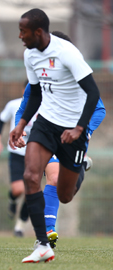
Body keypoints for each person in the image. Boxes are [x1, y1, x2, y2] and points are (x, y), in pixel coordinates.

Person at [10, 9, 100, 263]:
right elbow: (36, 94)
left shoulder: (67, 53)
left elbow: (93, 94)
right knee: (30, 175)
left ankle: (80, 165)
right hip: (46, 124)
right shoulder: (30, 55)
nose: (19, 36)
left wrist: (80, 128)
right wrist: (22, 125)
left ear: (38, 32)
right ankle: (42, 244)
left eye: (23, 31)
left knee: (64, 195)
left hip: (73, 131)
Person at [0, 82, 32, 238]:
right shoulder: (14, 105)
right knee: (18, 189)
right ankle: (12, 199)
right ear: (25, 90)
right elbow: (1, 120)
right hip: (16, 153)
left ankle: (19, 227)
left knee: (31, 191)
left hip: (35, 155)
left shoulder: (45, 107)